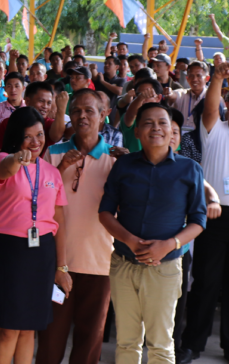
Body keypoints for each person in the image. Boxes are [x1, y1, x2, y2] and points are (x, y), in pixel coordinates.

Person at [100, 102, 207, 364]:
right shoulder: (124, 166)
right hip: (124, 264)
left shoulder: (189, 169)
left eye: (162, 123)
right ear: (136, 132)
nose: (156, 128)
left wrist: (170, 244)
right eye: (148, 122)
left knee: (160, 344)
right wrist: (131, 241)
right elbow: (105, 212)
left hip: (165, 267)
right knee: (126, 342)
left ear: (173, 131)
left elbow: (199, 220)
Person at [0, 106, 69, 364]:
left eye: (40, 135)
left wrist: (62, 266)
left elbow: (59, 220)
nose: (35, 142)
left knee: (30, 328)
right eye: (28, 136)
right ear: (17, 137)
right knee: (7, 329)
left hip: (41, 253)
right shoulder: (3, 159)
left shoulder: (51, 171)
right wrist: (19, 157)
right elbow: (5, 169)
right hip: (8, 252)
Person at [37, 89, 119, 364]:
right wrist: (60, 171)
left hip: (99, 265)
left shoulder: (117, 161)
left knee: (90, 343)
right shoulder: (54, 153)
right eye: (76, 110)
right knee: (50, 338)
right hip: (57, 264)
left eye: (89, 110)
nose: (81, 115)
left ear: (103, 115)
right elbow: (37, 201)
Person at [181, 63, 229, 362]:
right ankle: (193, 344)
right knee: (206, 281)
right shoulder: (215, 127)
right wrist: (219, 78)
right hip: (216, 212)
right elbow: (211, 106)